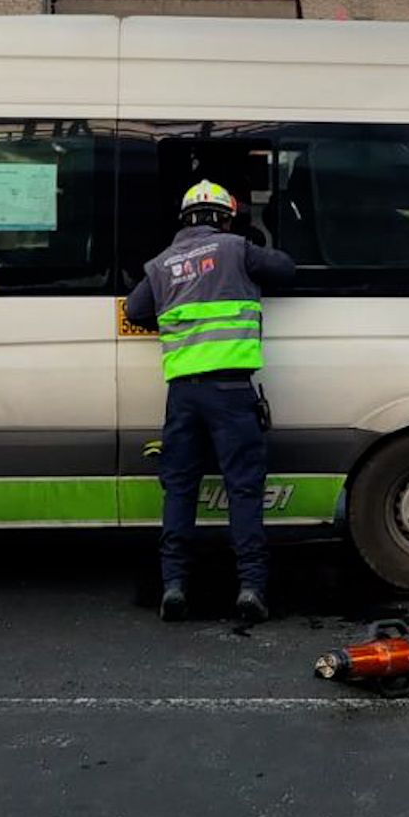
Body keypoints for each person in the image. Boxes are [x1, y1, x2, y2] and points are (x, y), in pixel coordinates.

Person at [124, 180, 294, 623]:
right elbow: (285, 270)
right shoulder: (238, 249)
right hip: (231, 393)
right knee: (242, 488)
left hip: (183, 395)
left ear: (184, 221)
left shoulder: (162, 264)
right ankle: (251, 588)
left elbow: (136, 310)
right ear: (224, 217)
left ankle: (175, 586)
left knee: (179, 489)